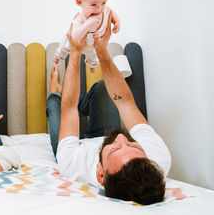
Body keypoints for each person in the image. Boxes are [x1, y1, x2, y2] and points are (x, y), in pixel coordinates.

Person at [47, 12, 171, 205]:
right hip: (101, 135)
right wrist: (101, 49)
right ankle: (86, 105)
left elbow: (69, 109)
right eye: (134, 145)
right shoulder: (158, 158)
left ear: (100, 174)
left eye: (115, 150)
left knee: (55, 105)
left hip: (77, 147)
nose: (122, 138)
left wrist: (76, 51)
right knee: (103, 87)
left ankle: (54, 91)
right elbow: (125, 102)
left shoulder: (73, 166)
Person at [53, 0, 121, 73]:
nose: (99, 8)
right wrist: (87, 26)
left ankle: (92, 66)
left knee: (93, 55)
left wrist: (117, 22)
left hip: (93, 43)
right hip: (78, 41)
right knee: (66, 44)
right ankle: (58, 56)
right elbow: (74, 36)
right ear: (79, 2)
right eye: (93, 4)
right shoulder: (81, 19)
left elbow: (111, 12)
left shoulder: (105, 10)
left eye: (103, 2)